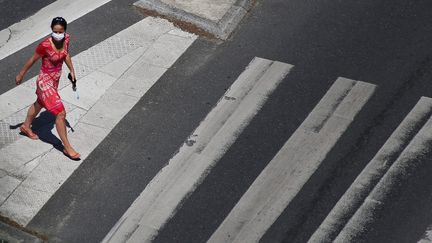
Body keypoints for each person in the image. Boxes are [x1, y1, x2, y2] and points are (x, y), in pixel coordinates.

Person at [15, 17, 80, 159]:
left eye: (60, 31)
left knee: (40, 103)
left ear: (65, 31)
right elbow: (32, 59)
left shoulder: (66, 39)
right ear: (51, 29)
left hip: (55, 80)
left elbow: (66, 54)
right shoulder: (44, 45)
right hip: (45, 82)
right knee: (60, 113)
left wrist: (72, 71)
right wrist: (21, 74)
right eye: (55, 31)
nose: (58, 34)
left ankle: (26, 127)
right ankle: (67, 147)